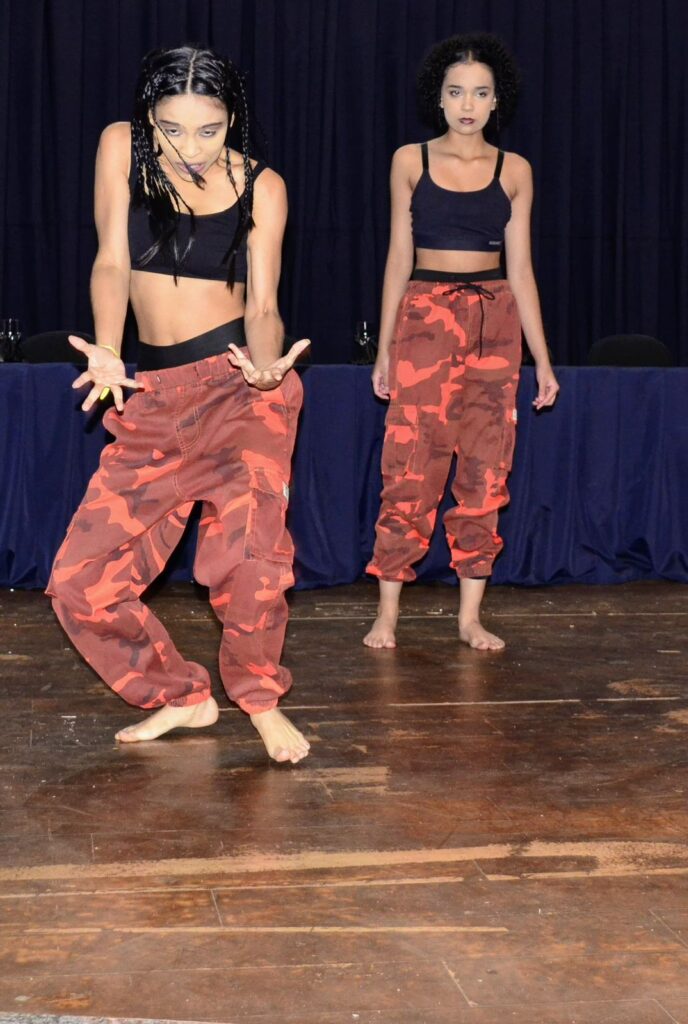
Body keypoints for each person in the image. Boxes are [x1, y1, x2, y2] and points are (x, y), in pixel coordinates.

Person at [47, 46, 310, 763]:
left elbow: (263, 308)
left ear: (233, 121)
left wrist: (266, 370)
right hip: (155, 397)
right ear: (147, 120)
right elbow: (111, 259)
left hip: (240, 391)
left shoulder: (262, 187)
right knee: (80, 582)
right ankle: (181, 696)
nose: (190, 147)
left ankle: (260, 699)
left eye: (209, 130)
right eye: (171, 129)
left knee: (250, 560)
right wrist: (107, 347)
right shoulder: (120, 148)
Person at [364, 33, 559, 651]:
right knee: (411, 464)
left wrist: (543, 361)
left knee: (485, 466)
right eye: (456, 92)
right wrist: (384, 348)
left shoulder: (515, 170)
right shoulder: (409, 160)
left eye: (480, 93)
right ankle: (387, 613)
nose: (467, 104)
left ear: (497, 101)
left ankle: (470, 616)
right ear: (439, 98)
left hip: (494, 322)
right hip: (425, 317)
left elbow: (522, 271)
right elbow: (398, 257)